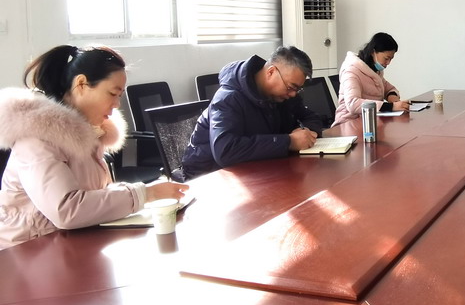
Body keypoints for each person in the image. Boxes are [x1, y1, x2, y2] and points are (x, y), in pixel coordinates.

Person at [0, 45, 188, 250]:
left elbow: (95, 194)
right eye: (113, 93)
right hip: (24, 251)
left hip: (67, 243)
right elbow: (66, 210)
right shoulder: (36, 138)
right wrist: (146, 194)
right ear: (81, 84)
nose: (117, 104)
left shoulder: (90, 132)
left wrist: (147, 192)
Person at [181, 46, 323, 179]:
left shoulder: (283, 95)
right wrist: (289, 141)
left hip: (256, 169)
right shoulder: (228, 98)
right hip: (209, 176)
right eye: (291, 87)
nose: (293, 94)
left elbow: (312, 117)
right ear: (271, 72)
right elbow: (225, 151)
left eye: (297, 89)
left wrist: (306, 133)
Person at [332, 32, 410, 127]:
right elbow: (353, 104)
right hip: (349, 123)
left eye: (391, 59)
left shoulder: (374, 71)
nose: (388, 63)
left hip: (370, 120)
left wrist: (392, 97)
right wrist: (391, 107)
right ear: (373, 52)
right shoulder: (351, 71)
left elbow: (389, 88)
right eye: (386, 58)